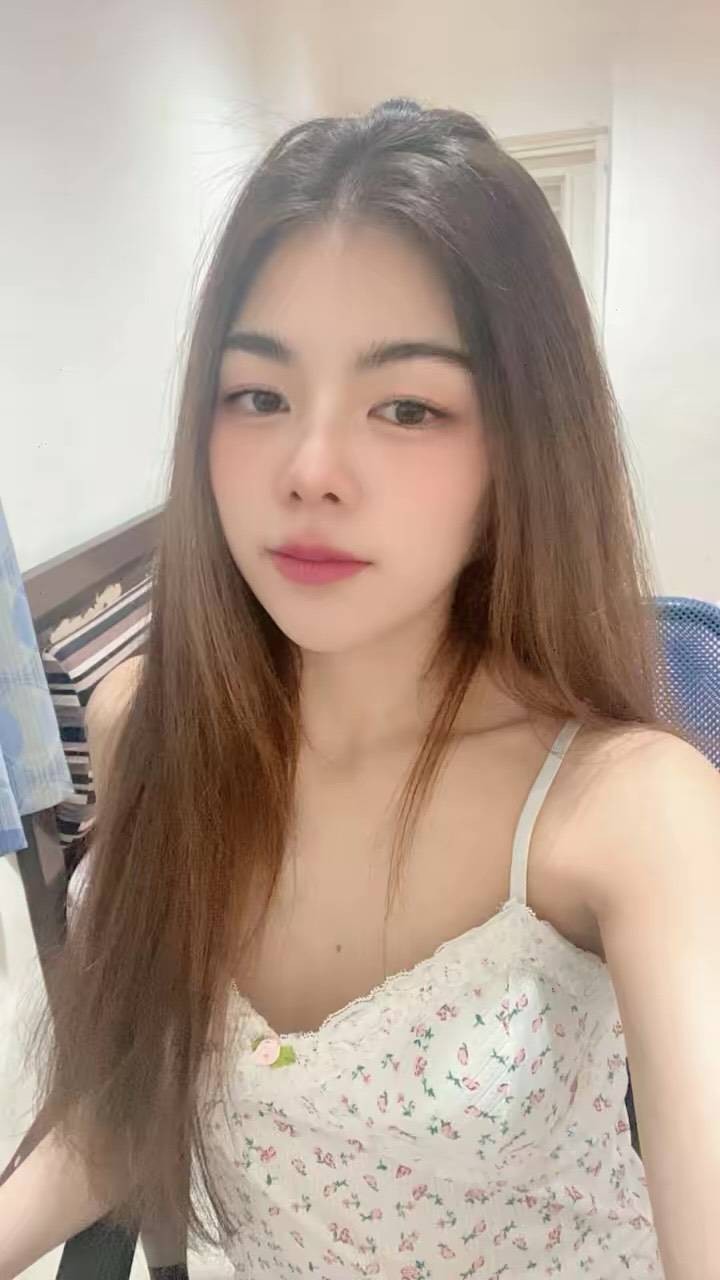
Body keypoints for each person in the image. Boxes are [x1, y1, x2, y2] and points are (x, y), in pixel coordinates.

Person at [2, 98, 719, 1280]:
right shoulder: (153, 733)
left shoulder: (632, 806)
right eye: (258, 394)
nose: (310, 469)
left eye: (408, 406)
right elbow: (129, 1098)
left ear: (521, 448)